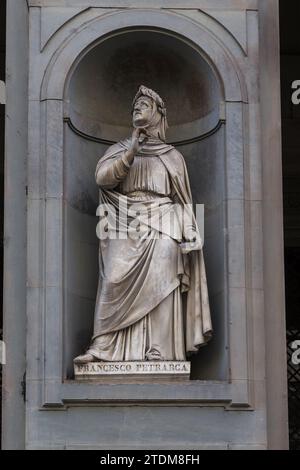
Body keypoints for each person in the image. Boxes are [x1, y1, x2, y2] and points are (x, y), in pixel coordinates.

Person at [74, 85, 212, 363]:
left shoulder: (173, 156)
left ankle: (159, 350)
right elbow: (103, 179)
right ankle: (104, 347)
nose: (137, 108)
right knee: (113, 278)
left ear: (159, 114)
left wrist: (193, 231)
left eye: (144, 104)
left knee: (164, 282)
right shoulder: (119, 150)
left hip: (164, 221)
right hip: (124, 222)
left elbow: (182, 201)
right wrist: (130, 152)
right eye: (135, 105)